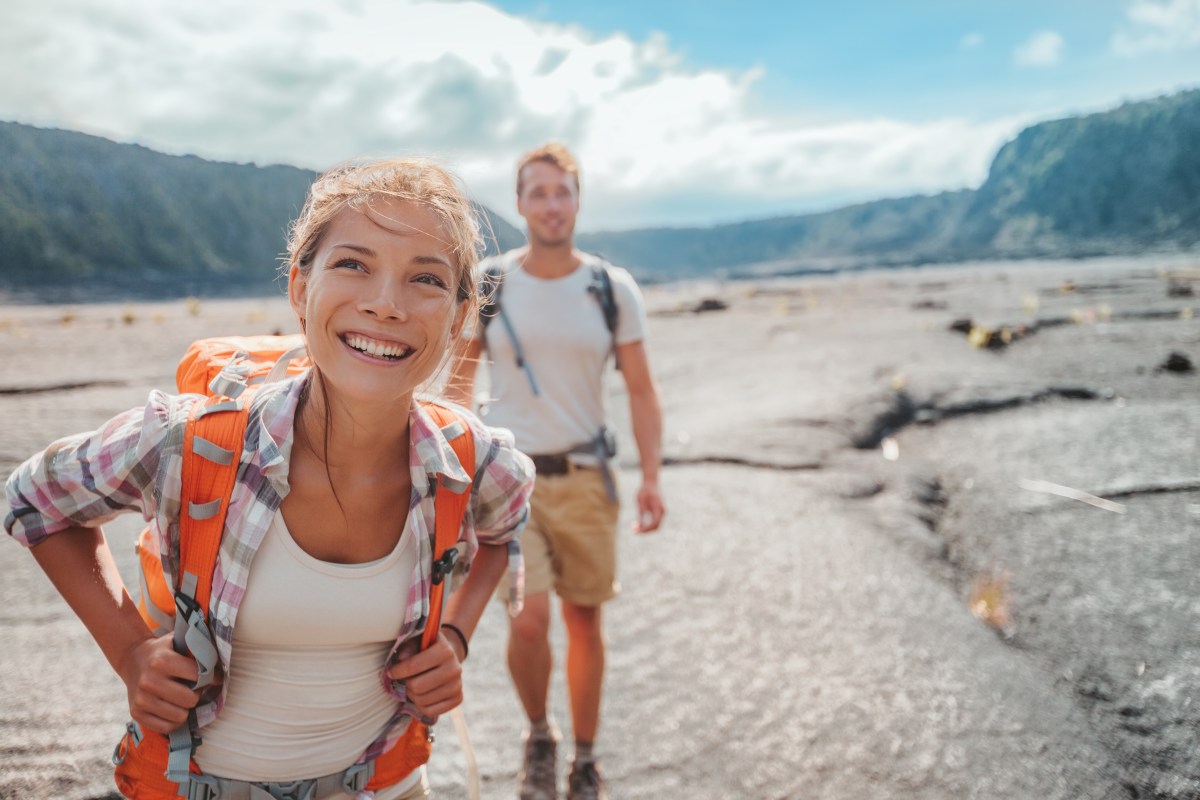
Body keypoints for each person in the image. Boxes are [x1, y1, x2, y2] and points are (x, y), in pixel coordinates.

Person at [4, 158, 535, 800]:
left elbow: (507, 529)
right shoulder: (191, 441)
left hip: (390, 786)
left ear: (457, 319)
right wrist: (129, 652)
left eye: (426, 278)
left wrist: (456, 634)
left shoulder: (473, 459)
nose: (385, 303)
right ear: (298, 288)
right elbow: (37, 499)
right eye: (353, 264)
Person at [446, 143, 665, 800]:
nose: (550, 204)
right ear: (519, 204)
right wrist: (448, 474)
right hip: (510, 485)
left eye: (562, 192)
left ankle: (587, 757)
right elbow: (457, 383)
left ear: (577, 200)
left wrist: (652, 477)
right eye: (537, 192)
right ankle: (540, 734)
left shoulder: (610, 288)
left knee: (584, 622)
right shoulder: (491, 281)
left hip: (587, 479)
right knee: (530, 620)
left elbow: (643, 390)